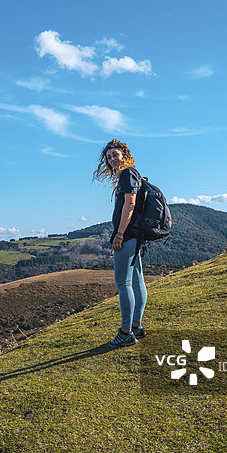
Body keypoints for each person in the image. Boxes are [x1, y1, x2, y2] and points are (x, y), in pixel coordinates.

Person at [93, 139, 147, 347]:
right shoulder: (133, 174)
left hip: (128, 236)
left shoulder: (127, 174)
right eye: (108, 157)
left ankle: (125, 333)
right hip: (134, 236)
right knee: (136, 281)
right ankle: (136, 327)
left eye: (115, 154)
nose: (112, 159)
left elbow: (130, 203)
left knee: (124, 283)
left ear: (124, 154)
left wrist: (119, 235)